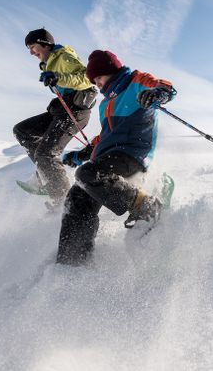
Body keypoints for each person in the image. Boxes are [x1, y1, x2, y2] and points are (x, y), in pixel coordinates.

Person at [56, 49, 176, 265]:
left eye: (99, 78)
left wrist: (158, 94)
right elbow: (104, 136)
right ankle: (73, 261)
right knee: (76, 197)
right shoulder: (105, 105)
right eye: (94, 81)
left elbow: (165, 86)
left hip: (132, 154)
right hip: (107, 158)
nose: (97, 84)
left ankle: (145, 205)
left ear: (111, 70)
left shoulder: (135, 81)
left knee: (88, 174)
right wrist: (80, 154)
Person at [13, 28, 97, 208]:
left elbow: (86, 78)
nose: (31, 52)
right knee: (22, 131)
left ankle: (63, 199)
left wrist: (58, 77)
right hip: (61, 111)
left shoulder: (63, 56)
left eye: (32, 46)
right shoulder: (49, 63)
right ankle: (44, 174)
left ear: (44, 43)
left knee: (46, 153)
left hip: (75, 111)